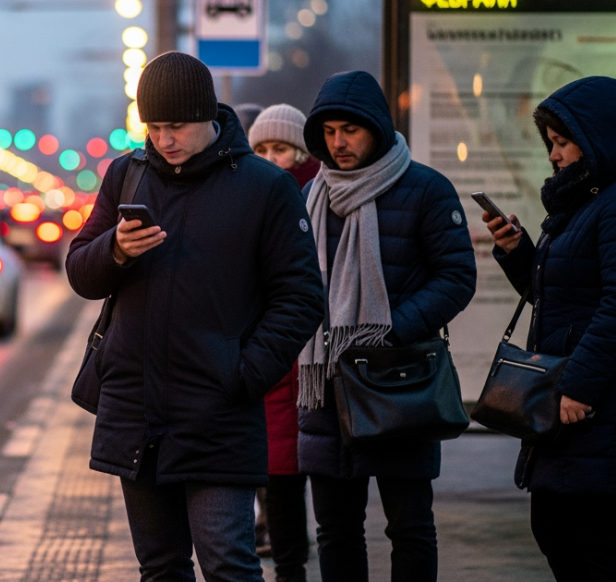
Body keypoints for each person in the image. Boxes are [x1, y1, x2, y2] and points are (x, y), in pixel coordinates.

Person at [66, 51, 326, 582]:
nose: (164, 139)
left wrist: (244, 373)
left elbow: (301, 297)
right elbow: (80, 273)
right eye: (154, 127)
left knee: (228, 563)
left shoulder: (264, 187)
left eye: (177, 126)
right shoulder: (126, 176)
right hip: (135, 408)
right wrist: (114, 250)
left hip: (218, 411)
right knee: (160, 567)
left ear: (209, 116)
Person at [482, 76, 616, 581]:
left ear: (598, 137)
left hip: (598, 400)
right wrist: (520, 253)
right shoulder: (585, 203)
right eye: (551, 144)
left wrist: (579, 385)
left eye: (563, 142)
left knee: (595, 541)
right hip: (568, 395)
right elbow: (556, 297)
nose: (554, 156)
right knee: (556, 528)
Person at [296, 70, 476, 582]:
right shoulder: (311, 196)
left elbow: (457, 276)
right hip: (326, 385)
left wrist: (389, 333)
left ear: (375, 127)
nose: (337, 143)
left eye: (349, 130)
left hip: (401, 383)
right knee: (335, 530)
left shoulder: (424, 188)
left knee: (411, 526)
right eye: (328, 132)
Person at [247, 103, 320, 582]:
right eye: (263, 150)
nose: (272, 158)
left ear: (299, 151)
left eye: (281, 148)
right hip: (273, 359)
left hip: (314, 359)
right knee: (278, 475)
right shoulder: (251, 197)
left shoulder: (316, 195)